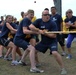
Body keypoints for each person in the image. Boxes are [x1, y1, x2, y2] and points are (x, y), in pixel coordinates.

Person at [29, 9, 67, 75]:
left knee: (54, 53)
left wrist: (45, 33)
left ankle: (63, 69)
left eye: (48, 14)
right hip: (43, 42)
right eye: (45, 15)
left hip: (52, 42)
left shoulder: (52, 23)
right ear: (42, 15)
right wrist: (38, 30)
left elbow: (54, 36)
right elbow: (30, 26)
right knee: (33, 50)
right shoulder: (39, 21)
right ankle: (37, 63)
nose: (47, 16)